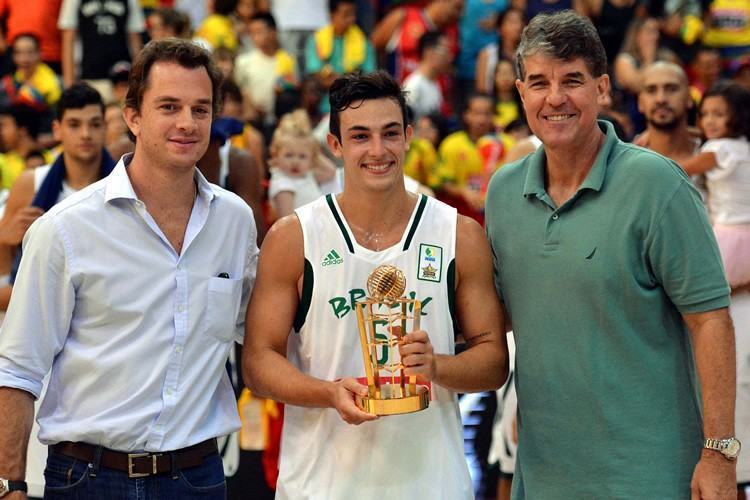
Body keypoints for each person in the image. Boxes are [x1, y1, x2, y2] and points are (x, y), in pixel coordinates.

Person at [485, 10, 737, 499]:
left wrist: (719, 454)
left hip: (651, 472)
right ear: (520, 94)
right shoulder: (502, 192)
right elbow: (509, 316)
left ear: (603, 88)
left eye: (571, 81)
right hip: (545, 470)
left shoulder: (658, 183)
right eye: (538, 83)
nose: (554, 98)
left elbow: (711, 321)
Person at [0, 39, 258, 499]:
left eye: (201, 109)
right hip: (87, 479)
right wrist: (9, 485)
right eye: (169, 106)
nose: (187, 123)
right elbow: (17, 370)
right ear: (133, 116)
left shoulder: (234, 221)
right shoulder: (65, 228)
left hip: (198, 478)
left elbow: (259, 336)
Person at [243, 70, 508, 499]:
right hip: (321, 486)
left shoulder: (457, 233)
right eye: (360, 136)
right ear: (335, 146)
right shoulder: (295, 237)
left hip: (430, 484)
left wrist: (437, 365)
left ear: (407, 136)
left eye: (389, 133)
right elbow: (258, 363)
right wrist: (329, 393)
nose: (378, 150)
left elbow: (493, 360)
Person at [267, 110, 334, 218]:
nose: (295, 162)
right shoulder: (283, 186)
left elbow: (331, 172)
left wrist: (312, 148)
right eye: (288, 155)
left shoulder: (306, 174)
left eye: (302, 156)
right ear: (275, 156)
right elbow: (287, 222)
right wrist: (307, 152)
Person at [635, 62, 701, 165]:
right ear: (640, 102)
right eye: (651, 90)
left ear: (689, 98)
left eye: (671, 89)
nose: (661, 99)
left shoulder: (718, 151)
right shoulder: (625, 160)